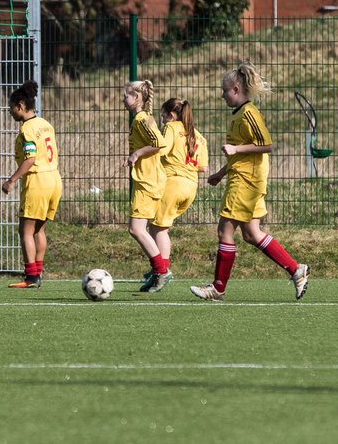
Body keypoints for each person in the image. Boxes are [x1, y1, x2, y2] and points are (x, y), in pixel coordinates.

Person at [190, 63, 310, 302]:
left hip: (247, 181)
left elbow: (267, 145)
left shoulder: (249, 113)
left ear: (236, 89)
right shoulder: (238, 115)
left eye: (224, 91)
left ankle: (218, 288)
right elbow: (242, 155)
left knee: (224, 230)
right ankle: (296, 270)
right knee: (251, 234)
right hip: (242, 176)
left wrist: (235, 148)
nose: (222, 95)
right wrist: (222, 173)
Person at [143, 98, 208, 292]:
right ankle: (160, 267)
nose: (163, 120)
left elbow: (161, 148)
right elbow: (203, 167)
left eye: (163, 117)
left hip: (172, 184)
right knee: (161, 227)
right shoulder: (198, 136)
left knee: (157, 228)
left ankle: (162, 270)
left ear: (171, 115)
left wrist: (151, 129)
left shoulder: (171, 128)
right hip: (191, 187)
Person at [1, 80, 60, 288]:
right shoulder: (45, 124)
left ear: (20, 105)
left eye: (10, 107)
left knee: (25, 232)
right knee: (38, 231)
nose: (9, 112)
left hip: (37, 181)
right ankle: (38, 273)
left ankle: (31, 277)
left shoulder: (27, 129)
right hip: (54, 179)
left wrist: (11, 180)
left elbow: (30, 159)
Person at [124, 79, 171, 292]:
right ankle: (158, 271)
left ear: (137, 98)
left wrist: (137, 153)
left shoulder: (142, 119)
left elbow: (159, 143)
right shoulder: (141, 119)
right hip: (149, 180)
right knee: (146, 229)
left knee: (136, 229)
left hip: (147, 182)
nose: (123, 99)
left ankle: (161, 270)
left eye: (126, 95)